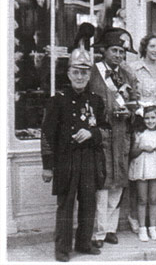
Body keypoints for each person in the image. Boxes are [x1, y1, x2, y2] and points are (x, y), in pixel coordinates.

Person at [41, 25, 107, 262]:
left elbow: (105, 130)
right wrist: (47, 166)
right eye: (76, 72)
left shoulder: (96, 101)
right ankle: (62, 249)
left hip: (89, 159)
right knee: (66, 206)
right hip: (66, 160)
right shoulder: (57, 101)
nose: (80, 77)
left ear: (89, 75)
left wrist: (92, 133)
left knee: (89, 203)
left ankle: (85, 242)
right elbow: (47, 135)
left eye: (84, 73)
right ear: (68, 74)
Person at [90, 27, 138, 248]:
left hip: (122, 135)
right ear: (104, 51)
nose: (118, 55)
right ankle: (98, 232)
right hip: (103, 135)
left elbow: (135, 101)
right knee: (102, 185)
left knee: (118, 183)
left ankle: (110, 228)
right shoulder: (93, 72)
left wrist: (130, 111)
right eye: (115, 50)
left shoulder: (127, 74)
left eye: (121, 52)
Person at [128, 34, 156, 233]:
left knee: (155, 167)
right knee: (139, 167)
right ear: (145, 47)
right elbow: (128, 93)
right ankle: (135, 215)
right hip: (139, 119)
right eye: (152, 46)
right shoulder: (134, 68)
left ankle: (153, 215)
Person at [128, 105, 156, 242]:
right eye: (147, 118)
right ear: (142, 119)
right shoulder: (139, 134)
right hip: (142, 168)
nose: (150, 121)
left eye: (153, 118)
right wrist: (142, 148)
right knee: (142, 199)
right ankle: (142, 228)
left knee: (153, 199)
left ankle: (152, 227)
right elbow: (132, 153)